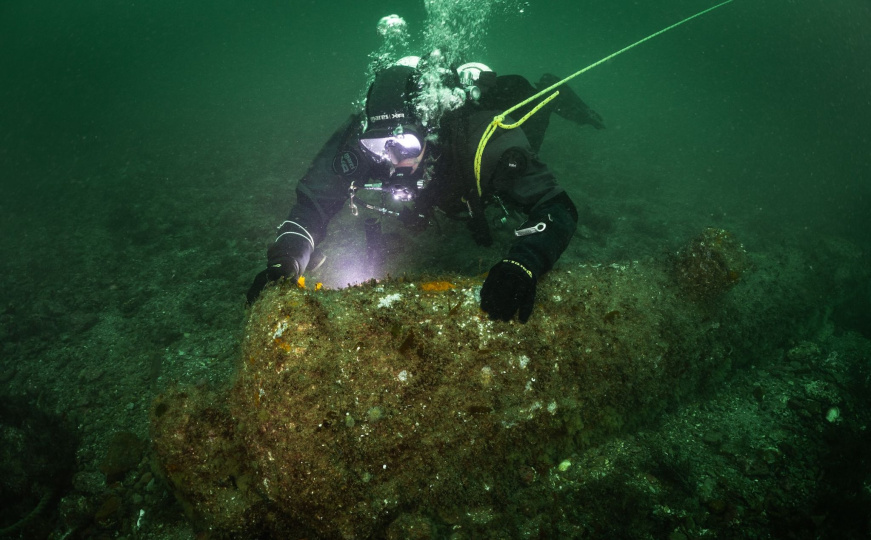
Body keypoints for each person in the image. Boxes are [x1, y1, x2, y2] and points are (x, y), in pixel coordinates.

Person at [247, 56, 604, 323]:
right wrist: (286, 260)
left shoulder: (485, 141)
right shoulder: (358, 139)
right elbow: (312, 205)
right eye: (379, 144)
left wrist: (524, 263)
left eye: (403, 143)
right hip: (437, 187)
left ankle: (549, 90)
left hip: (478, 156)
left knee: (530, 126)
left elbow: (557, 207)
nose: (391, 159)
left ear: (429, 130)